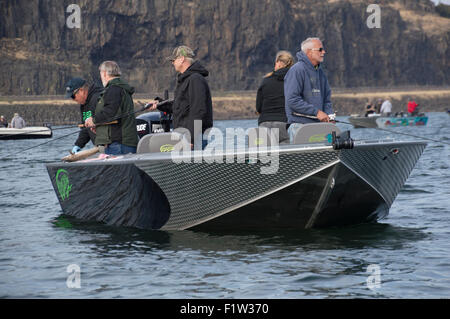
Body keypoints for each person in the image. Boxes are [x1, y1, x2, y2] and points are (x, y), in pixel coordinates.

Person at [149, 45, 213, 149]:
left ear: (182, 59)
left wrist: (192, 138)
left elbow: (199, 110)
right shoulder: (186, 80)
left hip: (193, 138)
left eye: (173, 60)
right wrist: (159, 104)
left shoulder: (195, 79)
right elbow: (179, 106)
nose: (172, 63)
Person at [284, 37, 334, 141]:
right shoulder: (297, 70)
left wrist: (329, 116)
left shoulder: (321, 73)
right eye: (320, 49)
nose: (324, 52)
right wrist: (316, 112)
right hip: (299, 127)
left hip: (319, 129)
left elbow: (326, 100)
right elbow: (292, 100)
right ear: (309, 52)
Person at [84, 61, 138, 155]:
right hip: (121, 143)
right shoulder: (120, 88)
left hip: (119, 144)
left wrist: (94, 120)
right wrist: (99, 125)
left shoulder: (114, 89)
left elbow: (110, 113)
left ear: (104, 73)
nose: (101, 77)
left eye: (100, 73)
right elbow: (115, 114)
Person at [256, 50, 294, 144]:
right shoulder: (293, 81)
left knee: (265, 155)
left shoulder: (265, 81)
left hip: (264, 122)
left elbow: (258, 107)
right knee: (285, 155)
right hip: (283, 122)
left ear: (278, 62)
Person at [64, 77, 103, 154]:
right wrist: (78, 145)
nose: (73, 99)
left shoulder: (98, 98)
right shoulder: (83, 104)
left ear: (81, 91)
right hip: (100, 147)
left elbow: (106, 116)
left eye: (73, 96)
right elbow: (85, 128)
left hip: (110, 146)